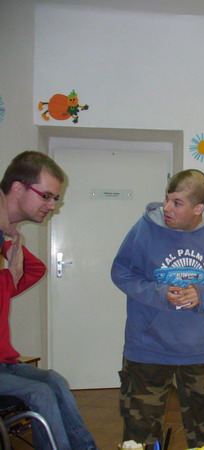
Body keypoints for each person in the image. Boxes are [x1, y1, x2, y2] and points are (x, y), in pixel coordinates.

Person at [111, 169, 204, 448]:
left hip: (201, 350)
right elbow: (121, 272)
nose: (167, 208)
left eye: (177, 203)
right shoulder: (144, 229)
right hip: (147, 348)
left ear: (198, 208)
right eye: (167, 199)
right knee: (139, 437)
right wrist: (160, 293)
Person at [0, 151, 97, 449]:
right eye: (46, 196)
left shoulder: (6, 238)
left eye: (55, 198)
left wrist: (11, 240)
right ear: (18, 188)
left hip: (4, 362)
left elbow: (34, 270)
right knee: (40, 393)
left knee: (53, 380)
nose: (52, 205)